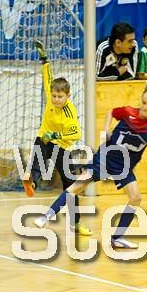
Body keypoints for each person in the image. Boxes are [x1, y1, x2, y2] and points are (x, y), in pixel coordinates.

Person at [35, 85, 147, 249]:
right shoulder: (128, 112)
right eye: (144, 102)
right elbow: (111, 112)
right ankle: (46, 216)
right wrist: (105, 131)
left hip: (123, 167)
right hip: (105, 158)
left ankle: (117, 238)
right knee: (77, 187)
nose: (145, 107)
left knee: (136, 198)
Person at [22, 41, 91, 236]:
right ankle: (32, 182)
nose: (56, 99)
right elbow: (48, 77)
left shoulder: (70, 112)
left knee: (71, 186)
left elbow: (76, 134)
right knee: (38, 154)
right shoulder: (50, 95)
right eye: (53, 96)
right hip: (45, 139)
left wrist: (57, 135)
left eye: (60, 96)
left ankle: (76, 223)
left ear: (67, 96)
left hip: (62, 147)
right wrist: (44, 58)